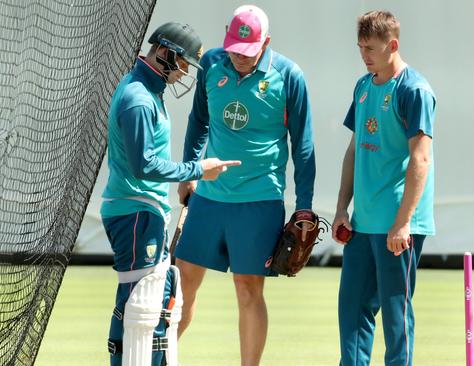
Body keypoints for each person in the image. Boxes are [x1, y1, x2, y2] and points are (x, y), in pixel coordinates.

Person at [173, 5, 316, 366]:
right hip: (208, 197)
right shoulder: (211, 64)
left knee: (248, 290)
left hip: (259, 200)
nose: (238, 57)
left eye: (248, 52)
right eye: (234, 48)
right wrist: (190, 172)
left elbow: (303, 145)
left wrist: (304, 205)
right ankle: (159, 359)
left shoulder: (289, 76)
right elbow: (199, 120)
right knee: (181, 285)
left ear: (266, 43)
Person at [100, 22, 241, 366]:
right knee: (139, 301)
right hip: (134, 210)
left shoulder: (146, 89)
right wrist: (196, 170)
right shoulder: (137, 98)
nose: (183, 74)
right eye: (182, 65)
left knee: (154, 297)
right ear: (165, 53)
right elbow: (143, 165)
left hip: (143, 209)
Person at [332, 10, 436, 366]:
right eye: (360, 47)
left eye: (372, 48)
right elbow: (353, 150)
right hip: (363, 222)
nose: (364, 55)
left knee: (395, 316)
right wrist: (342, 209)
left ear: (393, 45)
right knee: (352, 309)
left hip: (398, 225)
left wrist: (403, 222)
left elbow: (420, 160)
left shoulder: (414, 90)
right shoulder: (363, 86)